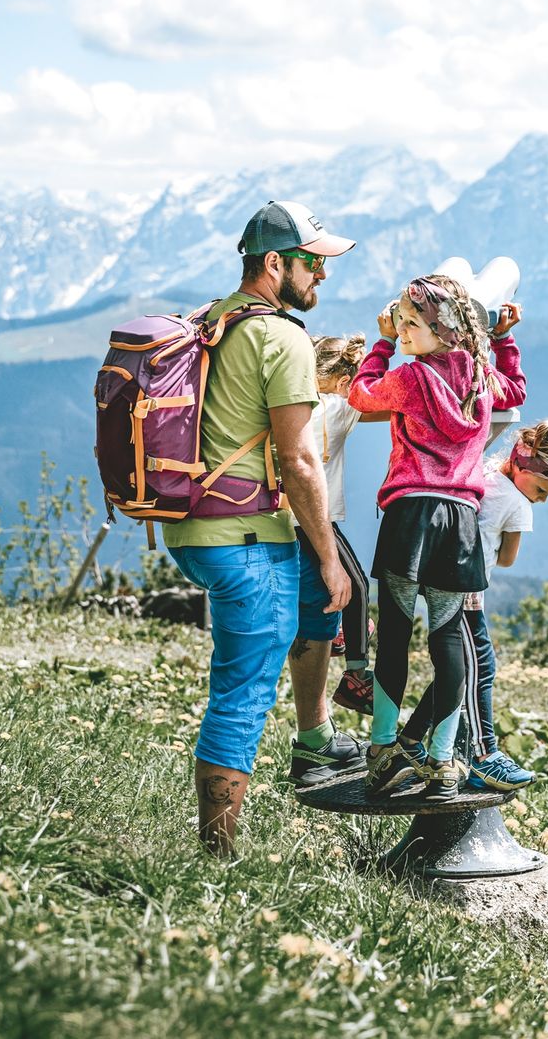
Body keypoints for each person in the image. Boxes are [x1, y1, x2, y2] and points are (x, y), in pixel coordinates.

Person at [163, 200, 364, 855]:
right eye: (314, 262)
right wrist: (332, 557)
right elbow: (301, 460)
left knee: (313, 601)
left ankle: (317, 736)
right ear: (276, 262)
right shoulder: (283, 337)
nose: (322, 277)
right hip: (245, 538)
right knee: (243, 693)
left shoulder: (216, 317)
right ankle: (216, 855)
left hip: (194, 528)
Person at [347, 274, 526, 801]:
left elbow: (360, 395)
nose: (402, 330)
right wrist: (504, 340)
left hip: (410, 515)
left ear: (441, 328)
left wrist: (379, 345)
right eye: (398, 322)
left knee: (397, 634)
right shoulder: (479, 377)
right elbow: (514, 392)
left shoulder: (408, 377)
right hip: (462, 521)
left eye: (410, 323)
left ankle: (384, 748)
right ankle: (444, 760)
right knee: (449, 636)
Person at [403, 419, 548, 790]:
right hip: (466, 590)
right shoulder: (518, 505)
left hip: (435, 576)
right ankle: (484, 755)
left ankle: (410, 743)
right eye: (542, 489)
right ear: (523, 467)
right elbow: (506, 560)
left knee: (455, 669)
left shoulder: (485, 472)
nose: (542, 498)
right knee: (480, 668)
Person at [304, 332, 386, 717]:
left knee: (345, 583)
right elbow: (386, 403)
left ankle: (342, 633)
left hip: (283, 513)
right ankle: (357, 675)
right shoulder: (338, 407)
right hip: (315, 518)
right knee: (355, 584)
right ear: (342, 382)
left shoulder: (295, 402)